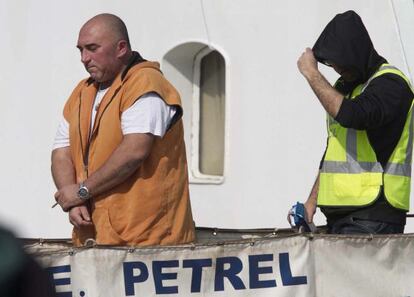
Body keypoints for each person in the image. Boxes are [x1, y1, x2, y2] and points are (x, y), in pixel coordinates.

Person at [51, 13, 195, 246]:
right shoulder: (82, 92)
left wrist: (81, 191)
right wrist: (74, 199)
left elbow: (134, 151)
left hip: (149, 244)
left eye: (92, 48)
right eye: (80, 50)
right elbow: (61, 150)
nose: (84, 58)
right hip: (96, 238)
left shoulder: (145, 82)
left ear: (121, 48)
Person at [296, 10, 414, 234]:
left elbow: (354, 116)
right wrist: (312, 201)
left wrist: (312, 74)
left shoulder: (391, 84)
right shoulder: (348, 89)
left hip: (373, 214)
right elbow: (335, 150)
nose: (338, 69)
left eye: (340, 62)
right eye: (332, 65)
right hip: (344, 215)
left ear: (355, 53)